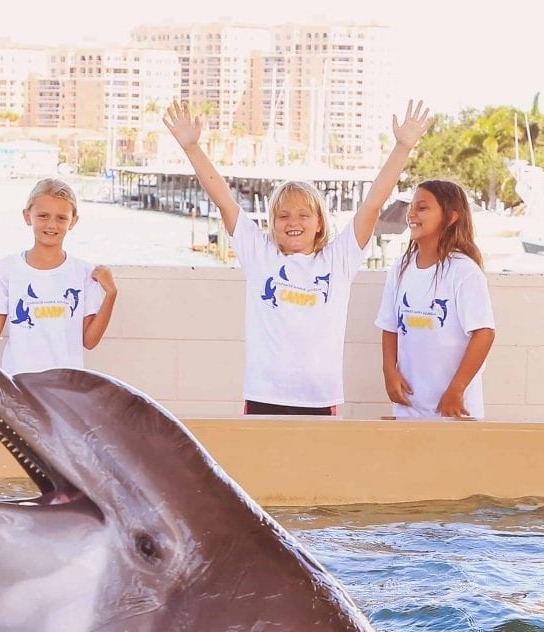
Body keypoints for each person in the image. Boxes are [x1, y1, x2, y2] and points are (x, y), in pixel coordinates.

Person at [163, 98, 434, 415]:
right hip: (265, 394)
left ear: (319, 222)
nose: (293, 222)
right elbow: (224, 200)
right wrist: (192, 148)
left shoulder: (338, 261)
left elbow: (373, 203)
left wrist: (402, 147)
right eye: (284, 216)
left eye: (304, 215)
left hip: (319, 398)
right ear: (272, 223)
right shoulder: (259, 254)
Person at [0, 178, 118, 376]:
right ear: (28, 216)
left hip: (67, 385)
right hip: (19, 382)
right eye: (43, 216)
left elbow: (89, 341)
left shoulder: (84, 273)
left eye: (61, 218)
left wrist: (111, 294)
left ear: (73, 221)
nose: (52, 225)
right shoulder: (6, 269)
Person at [376, 179, 496, 419]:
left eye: (422, 208)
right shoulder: (400, 267)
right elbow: (390, 326)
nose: (412, 214)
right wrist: (390, 372)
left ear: (451, 217)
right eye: (411, 207)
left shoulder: (464, 271)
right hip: (409, 408)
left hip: (453, 409)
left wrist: (457, 389)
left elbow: (484, 333)